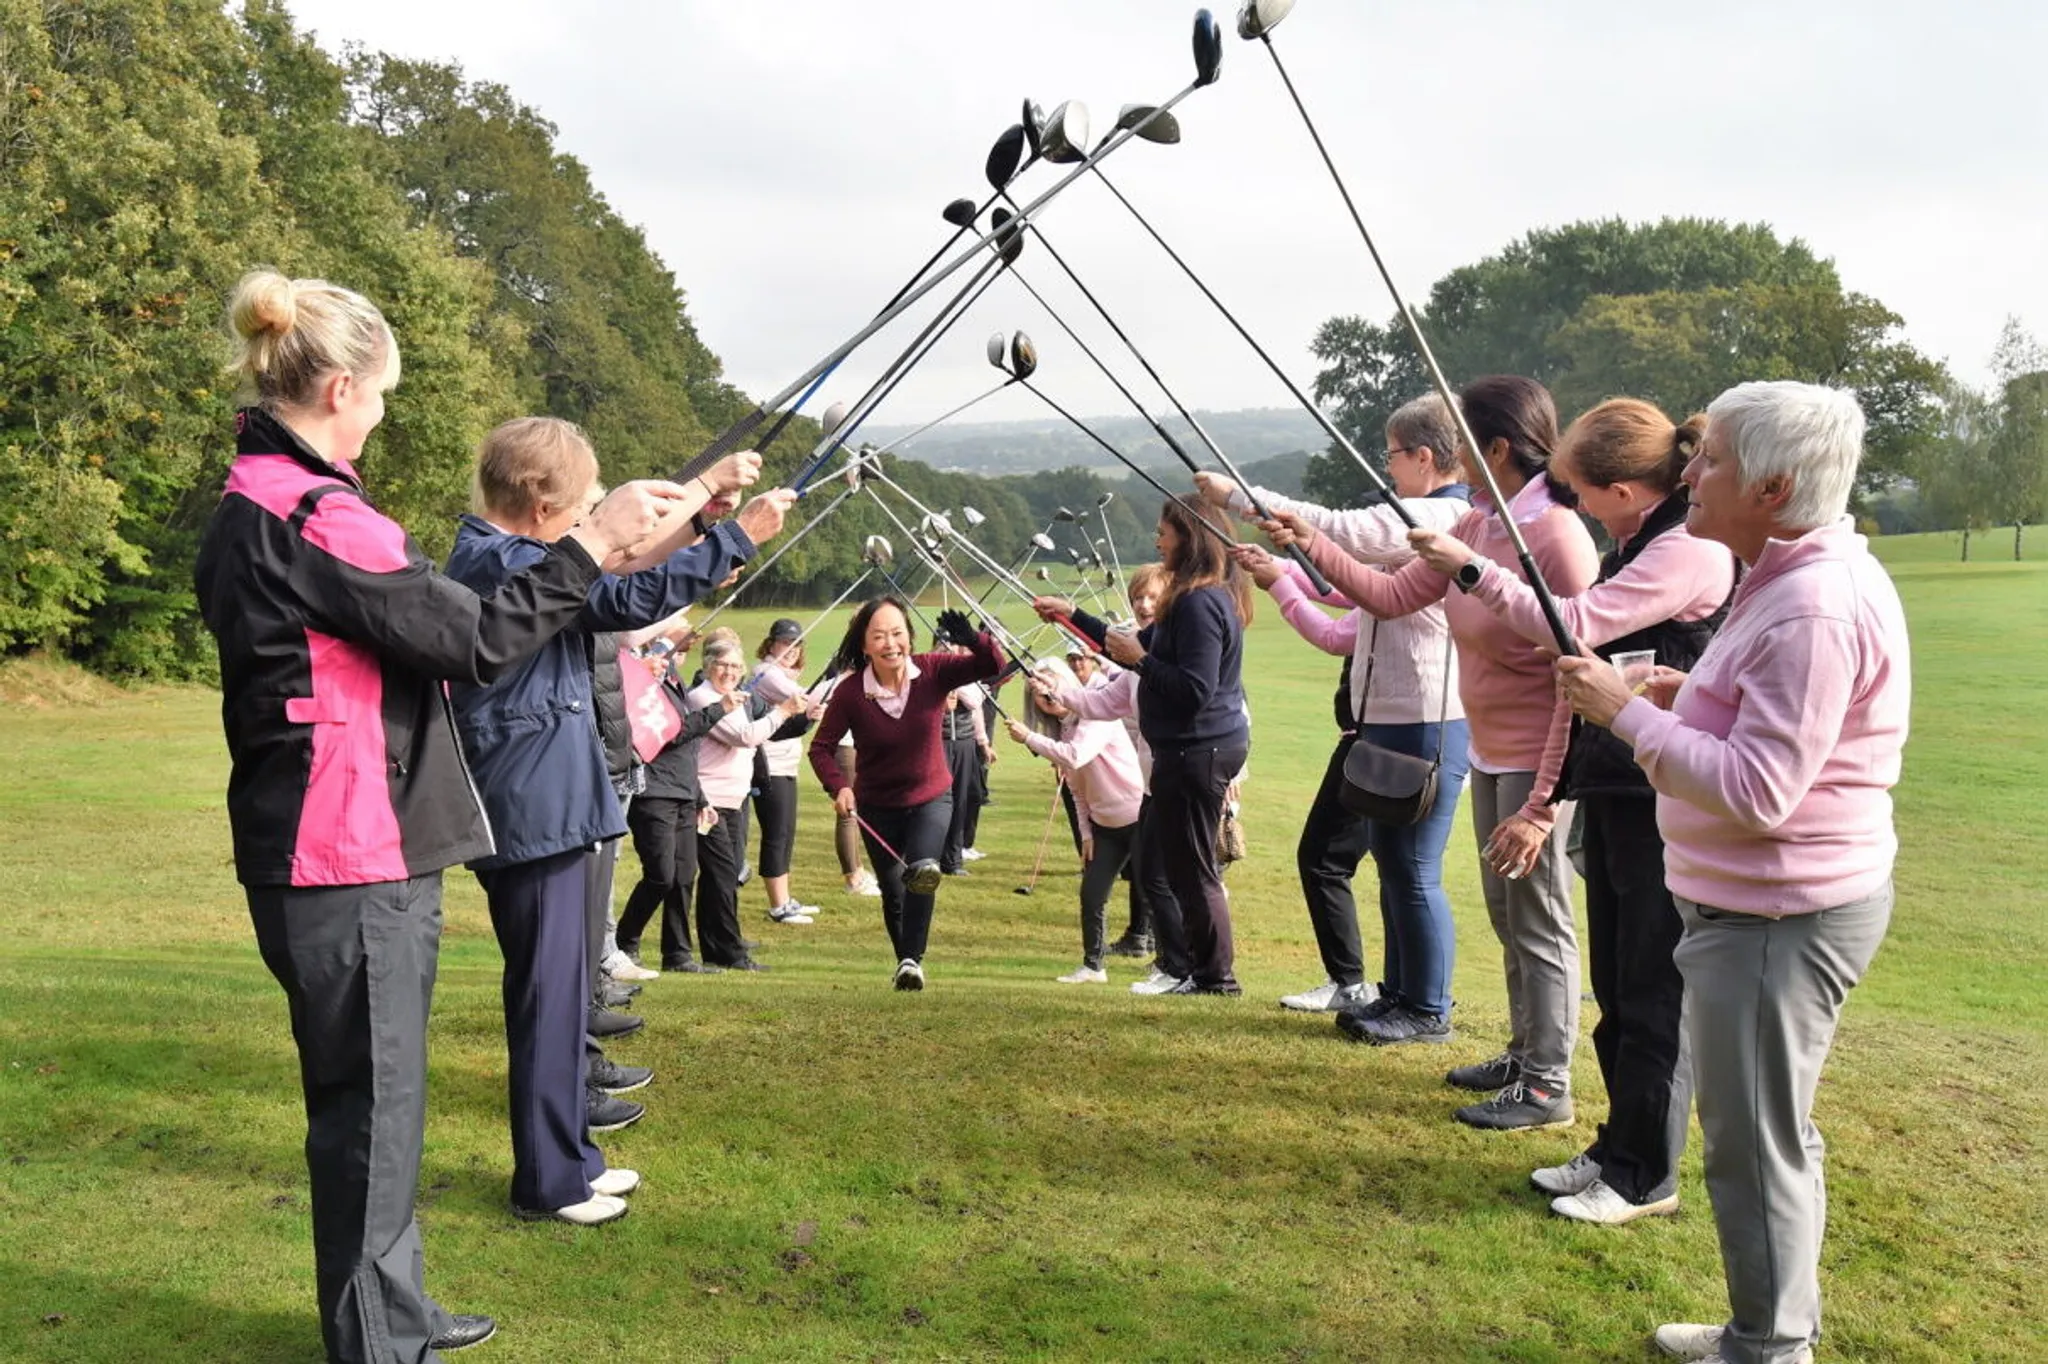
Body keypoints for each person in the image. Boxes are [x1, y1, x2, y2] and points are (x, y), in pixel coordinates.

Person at [195, 269, 680, 1361]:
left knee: (369, 1101)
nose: (378, 416)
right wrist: (591, 542)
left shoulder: (247, 499)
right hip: (349, 851)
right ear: (333, 387)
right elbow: (471, 637)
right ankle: (379, 1335)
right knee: (374, 1109)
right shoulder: (322, 514)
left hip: (304, 843)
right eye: (376, 396)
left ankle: (391, 1310)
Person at [1551, 383, 1909, 1364]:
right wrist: (1679, 692)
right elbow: (1755, 718)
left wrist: (1622, 713)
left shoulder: (1809, 606)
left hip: (1773, 915)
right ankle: (1771, 1323)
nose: (1687, 471)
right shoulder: (1782, 573)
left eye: (1708, 460)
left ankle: (1767, 1343)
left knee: (1752, 1144)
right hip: (1758, 905)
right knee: (1767, 1132)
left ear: (1775, 484)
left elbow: (1757, 790)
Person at [445, 415, 792, 1226]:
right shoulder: (503, 563)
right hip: (535, 809)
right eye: (582, 503)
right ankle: (547, 1181)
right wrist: (732, 535)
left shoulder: (518, 554)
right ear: (539, 501)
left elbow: (626, 564)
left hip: (559, 802)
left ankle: (573, 1159)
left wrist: (706, 512)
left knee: (567, 994)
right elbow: (630, 588)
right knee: (545, 999)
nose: (591, 517)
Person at [1411, 397, 1737, 1224]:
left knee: (1653, 992)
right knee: (1619, 987)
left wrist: (1472, 568)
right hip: (1621, 789)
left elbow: (1574, 626)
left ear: (1624, 491)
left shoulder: (1688, 551)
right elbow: (1584, 666)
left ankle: (1645, 1177)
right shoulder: (1641, 540)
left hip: (1668, 796)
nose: (1577, 512)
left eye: (1582, 494)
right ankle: (1617, 1146)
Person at [1264, 375, 1599, 1129]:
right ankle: (1522, 1054)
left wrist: (1545, 801)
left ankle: (1547, 1084)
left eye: (1465, 445)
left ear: (1498, 448)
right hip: (1488, 748)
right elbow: (1386, 596)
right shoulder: (1482, 523)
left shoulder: (1548, 531)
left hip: (1533, 755)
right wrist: (1304, 548)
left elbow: (1581, 660)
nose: (1451, 460)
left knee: (1539, 919)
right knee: (1509, 913)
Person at [1201, 393, 1470, 1023]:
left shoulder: (1439, 516)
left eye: (1394, 455)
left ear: (1424, 456)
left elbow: (1344, 529)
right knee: (1397, 871)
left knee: (1414, 870)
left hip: (1426, 717)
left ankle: (1426, 1007)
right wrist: (1290, 561)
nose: (1388, 468)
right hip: (1392, 716)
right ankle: (1399, 994)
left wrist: (1237, 494)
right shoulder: (1430, 516)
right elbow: (1346, 585)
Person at [1044, 495, 1253, 996]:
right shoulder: (1190, 597)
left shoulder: (1201, 602)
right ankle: (1186, 967)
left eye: (1164, 531)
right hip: (1179, 755)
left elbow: (1193, 688)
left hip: (1197, 752)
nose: (1157, 540)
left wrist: (1140, 660)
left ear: (1189, 537)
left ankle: (1214, 977)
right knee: (1168, 866)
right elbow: (1131, 643)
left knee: (1196, 871)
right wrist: (1072, 615)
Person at [808, 601, 1003, 989]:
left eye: (897, 633)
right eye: (879, 636)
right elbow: (821, 748)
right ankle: (906, 963)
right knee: (893, 891)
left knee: (923, 871)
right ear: (865, 645)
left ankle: (913, 959)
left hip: (931, 796)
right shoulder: (850, 692)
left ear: (909, 638)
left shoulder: (933, 670)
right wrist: (839, 786)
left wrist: (975, 641)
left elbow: (992, 667)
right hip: (877, 806)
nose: (890, 643)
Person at [1009, 660, 1147, 982]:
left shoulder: (1095, 716)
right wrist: (1085, 832)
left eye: (1051, 687)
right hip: (1105, 828)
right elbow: (1075, 787)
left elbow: (1074, 756)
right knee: (1092, 894)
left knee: (1156, 891)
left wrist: (1029, 738)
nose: (1047, 697)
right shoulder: (1065, 731)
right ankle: (1093, 966)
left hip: (1137, 817)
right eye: (1039, 696)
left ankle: (1173, 965)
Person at [615, 617, 733, 973]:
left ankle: (677, 953)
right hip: (654, 791)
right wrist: (719, 710)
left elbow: (687, 749)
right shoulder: (643, 678)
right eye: (679, 642)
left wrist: (699, 798)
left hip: (682, 790)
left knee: (684, 875)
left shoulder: (673, 679)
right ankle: (624, 941)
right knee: (661, 874)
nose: (686, 648)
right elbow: (669, 734)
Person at [689, 632, 812, 968]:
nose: (729, 671)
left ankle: (719, 946)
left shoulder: (734, 698)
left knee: (723, 875)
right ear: (708, 665)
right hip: (709, 800)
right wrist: (783, 711)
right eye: (722, 665)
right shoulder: (704, 698)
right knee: (722, 873)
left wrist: (802, 716)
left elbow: (762, 730)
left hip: (733, 798)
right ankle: (729, 953)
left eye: (734, 666)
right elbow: (745, 737)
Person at [749, 619, 825, 923]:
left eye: (796, 644)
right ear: (771, 645)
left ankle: (785, 898)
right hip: (770, 763)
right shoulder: (765, 674)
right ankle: (778, 905)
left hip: (787, 762)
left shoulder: (782, 673)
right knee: (777, 833)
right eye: (784, 643)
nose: (791, 650)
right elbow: (804, 699)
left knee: (786, 831)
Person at [938, 631, 996, 876]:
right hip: (938, 741)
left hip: (963, 741)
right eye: (943, 645)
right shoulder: (930, 672)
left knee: (961, 800)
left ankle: (953, 859)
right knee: (937, 801)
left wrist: (983, 743)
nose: (949, 650)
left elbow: (975, 705)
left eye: (954, 645)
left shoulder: (965, 673)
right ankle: (929, 855)